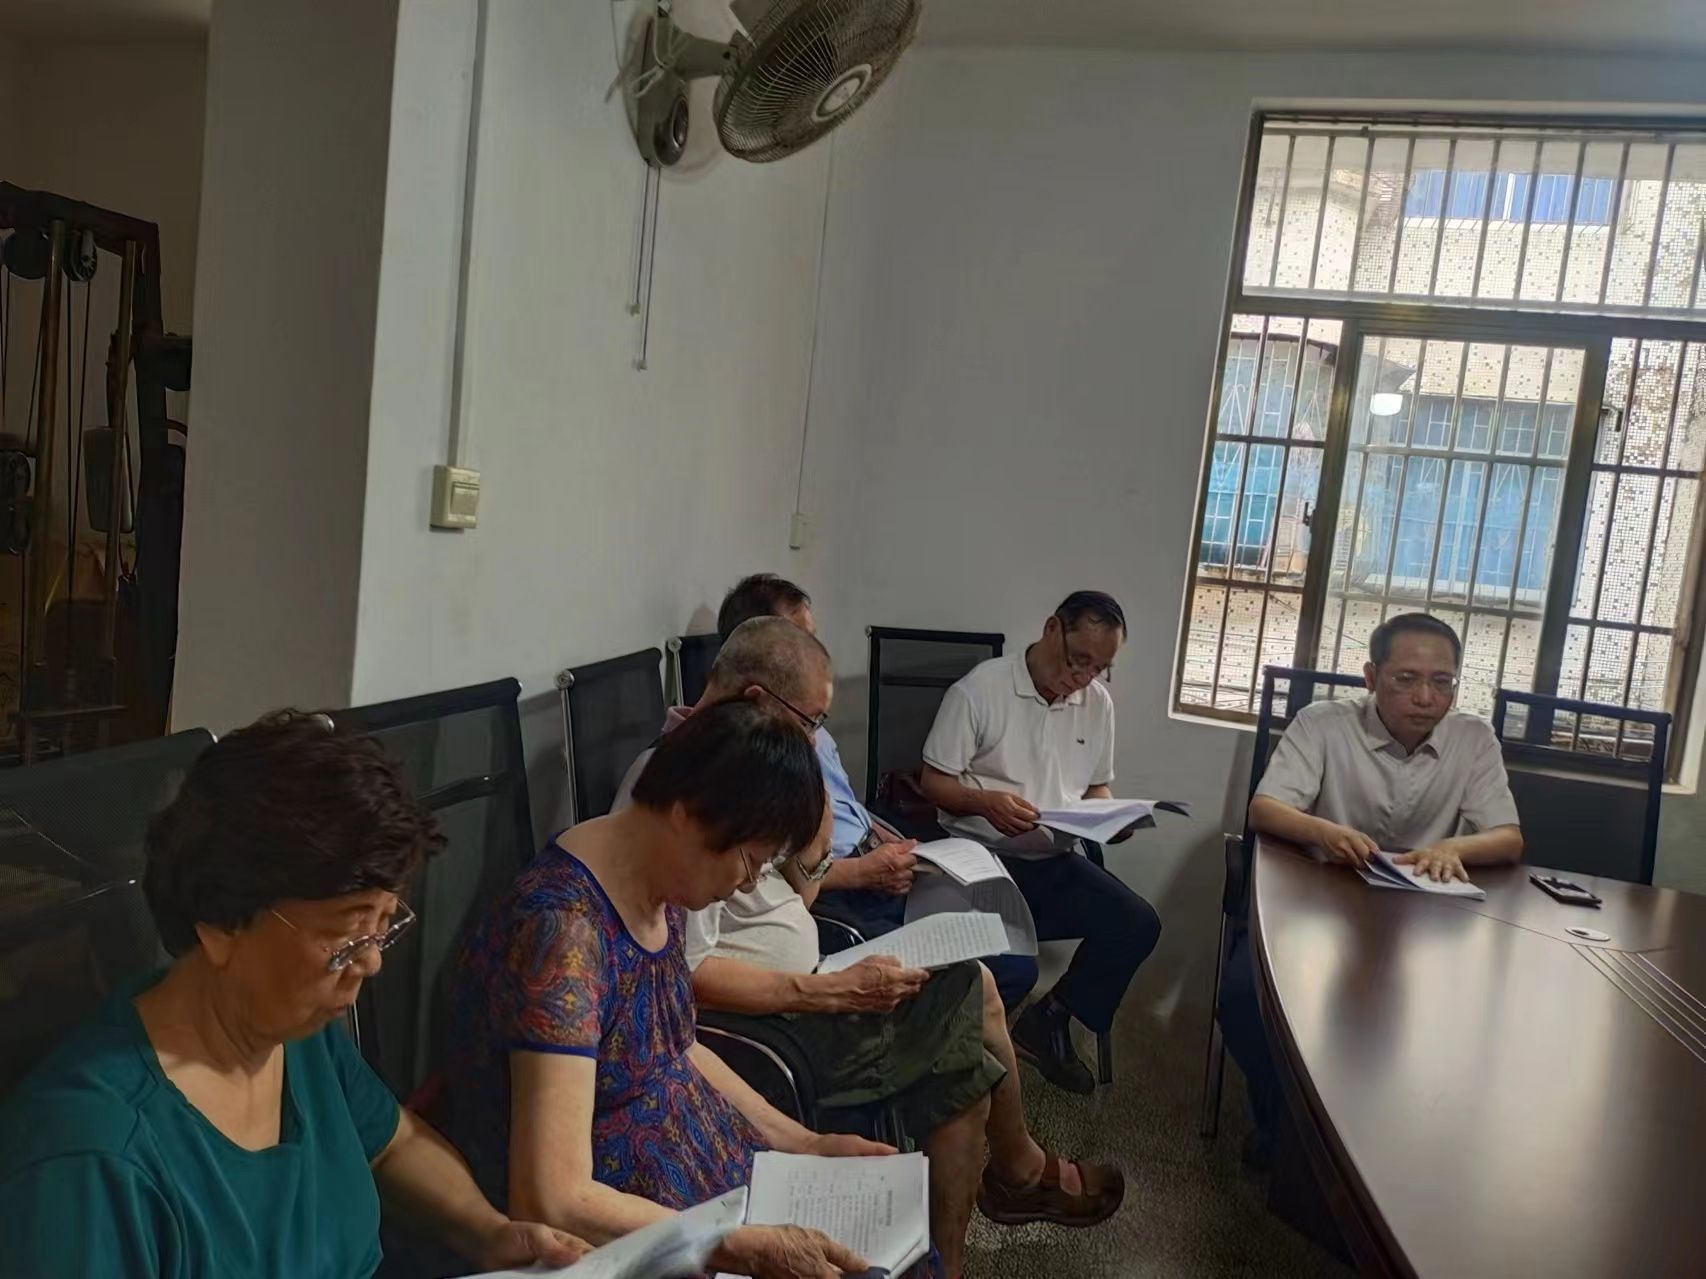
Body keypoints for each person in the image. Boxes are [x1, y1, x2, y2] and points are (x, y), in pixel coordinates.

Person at [613, 619, 1125, 1279]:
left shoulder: (742, 769)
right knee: (968, 1018)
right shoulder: (687, 791)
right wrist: (823, 991)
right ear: (758, 699)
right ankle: (1016, 1175)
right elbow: (685, 977)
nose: (816, 739)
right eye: (811, 721)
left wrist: (815, 815)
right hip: (771, 1019)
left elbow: (797, 893)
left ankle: (965, 1239)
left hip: (810, 974)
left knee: (969, 1032)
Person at [0, 713, 589, 1279]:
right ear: (221, 921)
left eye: (384, 923)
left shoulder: (296, 1031)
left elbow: (392, 1143)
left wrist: (486, 1232)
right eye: (346, 936)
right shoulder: (90, 1156)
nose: (372, 960)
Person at [445, 699, 895, 1279]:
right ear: (686, 813)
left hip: (696, 1191)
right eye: (750, 860)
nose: (747, 883)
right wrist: (726, 1242)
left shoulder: (660, 885)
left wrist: (805, 1144)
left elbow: (678, 1047)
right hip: (621, 1232)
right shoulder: (562, 935)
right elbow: (551, 1198)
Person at [1222, 612, 1523, 1164]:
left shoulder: (1474, 738)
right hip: (1320, 904)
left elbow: (1508, 838)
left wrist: (1453, 848)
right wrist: (1325, 831)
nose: (1426, 697)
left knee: (1461, 1012)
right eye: (1406, 679)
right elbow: (1265, 809)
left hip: (1423, 918)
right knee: (1243, 998)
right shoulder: (1322, 723)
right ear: (1371, 676)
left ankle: (1388, 1140)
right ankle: (1283, 1123)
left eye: (1442, 682)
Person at [714, 573, 1038, 1010]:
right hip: (845, 896)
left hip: (876, 866)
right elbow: (787, 877)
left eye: (814, 637)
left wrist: (891, 841)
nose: (817, 652)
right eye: (800, 640)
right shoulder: (760, 756)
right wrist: (864, 872)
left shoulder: (807, 726)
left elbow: (849, 807)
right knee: (995, 973)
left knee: (1004, 943)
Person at [919, 592, 1162, 1096]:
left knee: (1137, 923)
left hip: (1051, 857)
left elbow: (1096, 786)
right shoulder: (979, 690)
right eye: (1078, 660)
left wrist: (1107, 817)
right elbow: (933, 784)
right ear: (1052, 629)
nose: (1085, 677)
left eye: (1100, 668)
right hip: (977, 861)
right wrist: (985, 803)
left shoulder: (1097, 703)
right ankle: (958, 1062)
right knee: (1017, 966)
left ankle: (1048, 1021)